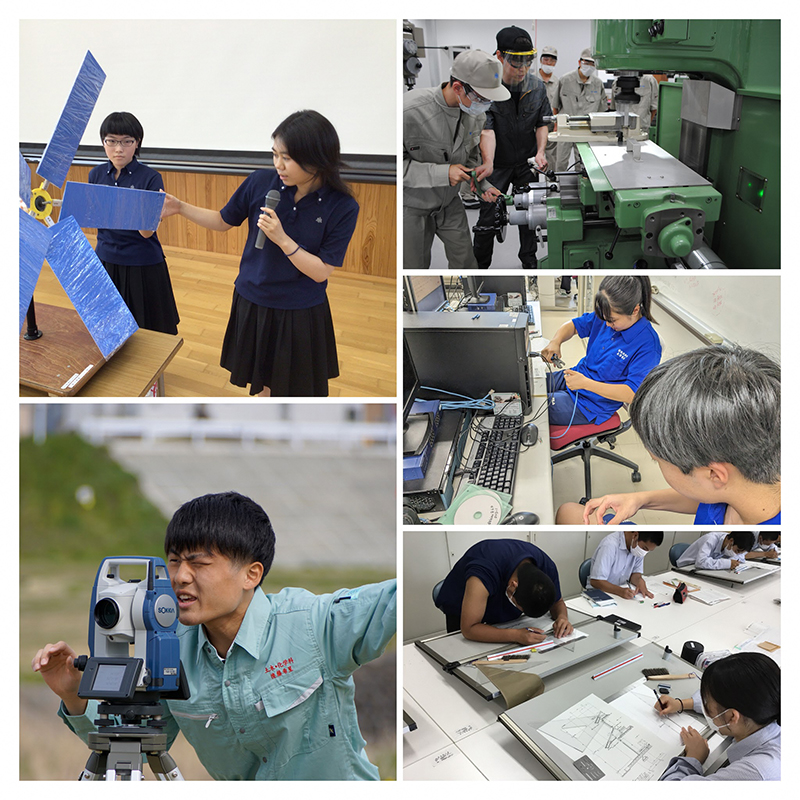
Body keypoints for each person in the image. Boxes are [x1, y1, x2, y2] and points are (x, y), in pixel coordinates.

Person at [32, 491, 396, 781]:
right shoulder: (169, 648)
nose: (180, 577)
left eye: (199, 563)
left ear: (251, 575)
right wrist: (73, 693)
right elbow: (131, 746)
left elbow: (394, 598)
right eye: (174, 561)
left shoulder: (314, 624)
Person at [160, 110, 359, 397]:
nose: (279, 164)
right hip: (253, 299)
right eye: (275, 154)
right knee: (262, 384)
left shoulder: (342, 206)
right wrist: (181, 207)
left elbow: (320, 271)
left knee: (296, 389)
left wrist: (282, 239)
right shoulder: (260, 182)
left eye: (287, 157)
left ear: (317, 157)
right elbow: (222, 220)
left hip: (299, 309)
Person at [558, 346, 781, 526]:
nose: (656, 462)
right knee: (568, 512)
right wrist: (640, 499)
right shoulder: (745, 480)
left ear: (714, 473)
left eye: (658, 461)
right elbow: (713, 498)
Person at [403, 49, 509, 269]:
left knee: (465, 262)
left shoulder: (474, 114)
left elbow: (469, 157)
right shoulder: (409, 112)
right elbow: (395, 167)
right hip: (413, 208)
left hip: (450, 204)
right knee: (415, 266)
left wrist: (482, 185)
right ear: (458, 87)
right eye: (482, 98)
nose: (486, 105)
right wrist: (444, 173)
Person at [89, 112, 180, 335]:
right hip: (106, 258)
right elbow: (94, 219)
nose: (118, 149)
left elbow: (147, 233)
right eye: (111, 141)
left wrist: (122, 206)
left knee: (147, 330)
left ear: (137, 143)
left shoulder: (150, 178)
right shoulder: (96, 174)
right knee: (109, 327)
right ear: (103, 142)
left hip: (141, 262)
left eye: (126, 141)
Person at [471, 26, 551, 269]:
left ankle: (529, 263)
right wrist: (489, 163)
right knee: (487, 218)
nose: (522, 69)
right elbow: (487, 130)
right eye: (516, 64)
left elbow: (541, 123)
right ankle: (480, 267)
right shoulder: (489, 90)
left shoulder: (537, 88)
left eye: (527, 63)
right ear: (499, 57)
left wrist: (540, 152)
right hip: (497, 165)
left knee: (530, 216)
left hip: (526, 163)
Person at [540, 275, 661, 427]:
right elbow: (573, 325)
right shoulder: (607, 316)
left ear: (635, 310)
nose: (607, 325)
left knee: (535, 406)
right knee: (531, 386)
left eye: (612, 320)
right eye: (605, 319)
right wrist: (555, 342)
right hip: (577, 376)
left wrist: (586, 384)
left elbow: (632, 394)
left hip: (590, 405)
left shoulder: (648, 345)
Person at [655, 652, 780, 780]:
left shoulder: (755, 773)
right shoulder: (766, 711)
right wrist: (681, 703)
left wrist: (693, 758)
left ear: (732, 717)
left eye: (707, 707)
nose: (705, 708)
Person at [434, 538, 573, 645]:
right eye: (520, 607)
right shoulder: (483, 572)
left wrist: (562, 617)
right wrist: (516, 635)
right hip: (462, 608)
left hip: (499, 607)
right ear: (513, 586)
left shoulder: (546, 566)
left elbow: (558, 602)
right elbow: (469, 629)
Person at [555, 48, 607, 171]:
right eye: (586, 63)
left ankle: (580, 187)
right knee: (561, 162)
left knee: (583, 164)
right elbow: (555, 105)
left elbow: (602, 110)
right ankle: (558, 185)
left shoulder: (598, 84)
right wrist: (557, 125)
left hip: (586, 130)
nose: (589, 66)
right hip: (566, 129)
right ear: (579, 62)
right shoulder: (565, 80)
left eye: (592, 63)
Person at [587, 530, 663, 598]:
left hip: (620, 592)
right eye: (645, 548)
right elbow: (596, 581)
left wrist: (639, 581)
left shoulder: (638, 547)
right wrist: (620, 591)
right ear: (635, 535)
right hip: (600, 594)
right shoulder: (610, 545)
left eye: (648, 550)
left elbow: (635, 575)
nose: (644, 552)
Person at [676, 531, 754, 570]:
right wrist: (728, 563)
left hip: (702, 569)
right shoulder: (711, 539)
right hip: (686, 568)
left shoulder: (728, 541)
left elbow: (740, 558)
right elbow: (701, 562)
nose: (736, 554)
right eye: (737, 551)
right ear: (731, 541)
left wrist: (733, 562)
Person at [537, 46, 560, 171]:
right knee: (532, 160)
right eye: (546, 59)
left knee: (552, 160)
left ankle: (551, 183)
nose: (549, 63)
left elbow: (560, 104)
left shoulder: (558, 82)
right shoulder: (532, 80)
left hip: (552, 125)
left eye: (552, 60)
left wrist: (557, 123)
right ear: (541, 60)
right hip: (534, 125)